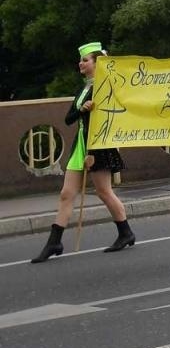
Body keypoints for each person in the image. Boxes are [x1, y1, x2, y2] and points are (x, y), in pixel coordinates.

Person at [31, 41, 136, 263]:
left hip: (97, 145)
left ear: (98, 63)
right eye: (80, 60)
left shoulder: (106, 88)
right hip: (80, 146)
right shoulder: (84, 89)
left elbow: (114, 115)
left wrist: (92, 114)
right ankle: (54, 242)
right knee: (66, 193)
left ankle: (125, 232)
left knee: (104, 192)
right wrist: (82, 109)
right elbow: (69, 119)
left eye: (85, 60)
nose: (80, 63)